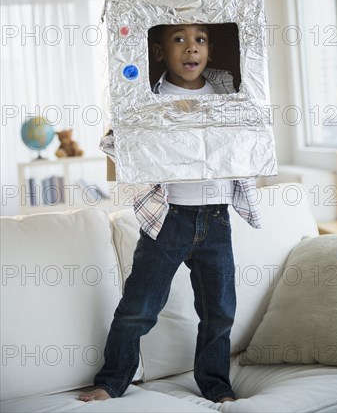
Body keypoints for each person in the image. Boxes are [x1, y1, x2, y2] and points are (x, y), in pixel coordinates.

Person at [79, 23, 261, 403]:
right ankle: (111, 381)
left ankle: (216, 385)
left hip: (216, 217)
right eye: (179, 39)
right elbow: (120, 143)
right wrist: (121, 130)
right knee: (138, 308)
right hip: (169, 218)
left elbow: (252, 132)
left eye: (200, 40)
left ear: (209, 51)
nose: (191, 48)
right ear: (161, 52)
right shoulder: (150, 97)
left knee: (220, 311)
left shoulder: (228, 90)